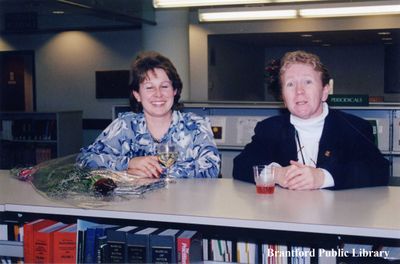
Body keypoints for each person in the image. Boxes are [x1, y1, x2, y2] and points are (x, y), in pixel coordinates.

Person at [233, 50, 389, 190]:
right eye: (290, 84)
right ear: (283, 98)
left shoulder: (353, 127)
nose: (299, 91)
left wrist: (322, 177)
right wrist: (277, 174)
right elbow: (240, 165)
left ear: (324, 92)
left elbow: (378, 170)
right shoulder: (269, 128)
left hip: (337, 216)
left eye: (308, 82)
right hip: (283, 216)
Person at [77, 51, 220, 178]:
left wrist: (153, 172)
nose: (158, 94)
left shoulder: (195, 125)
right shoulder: (125, 126)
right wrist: (129, 164)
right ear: (137, 94)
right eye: (149, 87)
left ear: (174, 90)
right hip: (134, 205)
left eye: (164, 86)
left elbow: (212, 167)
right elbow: (84, 160)